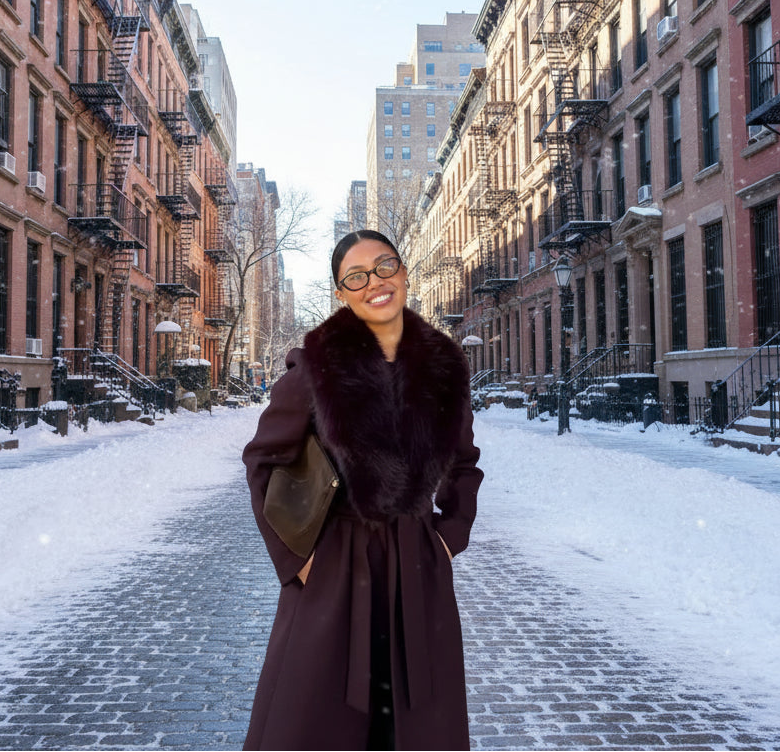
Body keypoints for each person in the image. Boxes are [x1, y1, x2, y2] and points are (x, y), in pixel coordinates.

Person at [242, 229, 484, 751]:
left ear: (402, 273)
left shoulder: (442, 367)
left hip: (419, 571)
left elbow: (464, 463)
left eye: (383, 266)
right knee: (318, 723)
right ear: (341, 292)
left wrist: (449, 535)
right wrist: (295, 559)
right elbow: (263, 458)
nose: (374, 281)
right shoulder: (316, 366)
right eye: (356, 276)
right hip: (334, 568)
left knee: (416, 728)